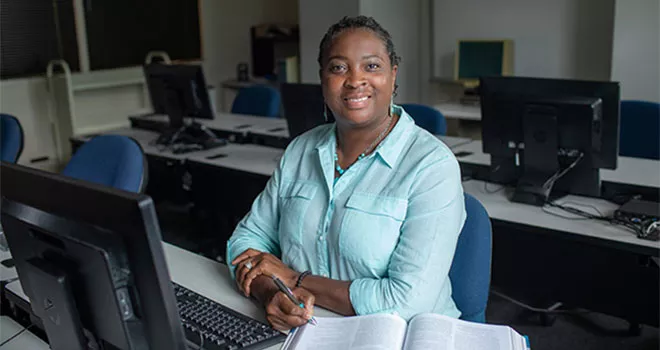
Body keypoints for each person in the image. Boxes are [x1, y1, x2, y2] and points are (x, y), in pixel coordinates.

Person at [226, 16, 466, 331]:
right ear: (322, 79)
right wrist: (271, 293)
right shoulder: (301, 150)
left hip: (404, 335)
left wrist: (296, 279)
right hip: (309, 329)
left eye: (372, 66)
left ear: (393, 76)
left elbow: (406, 301)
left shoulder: (432, 166)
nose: (354, 80)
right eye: (338, 68)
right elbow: (245, 240)